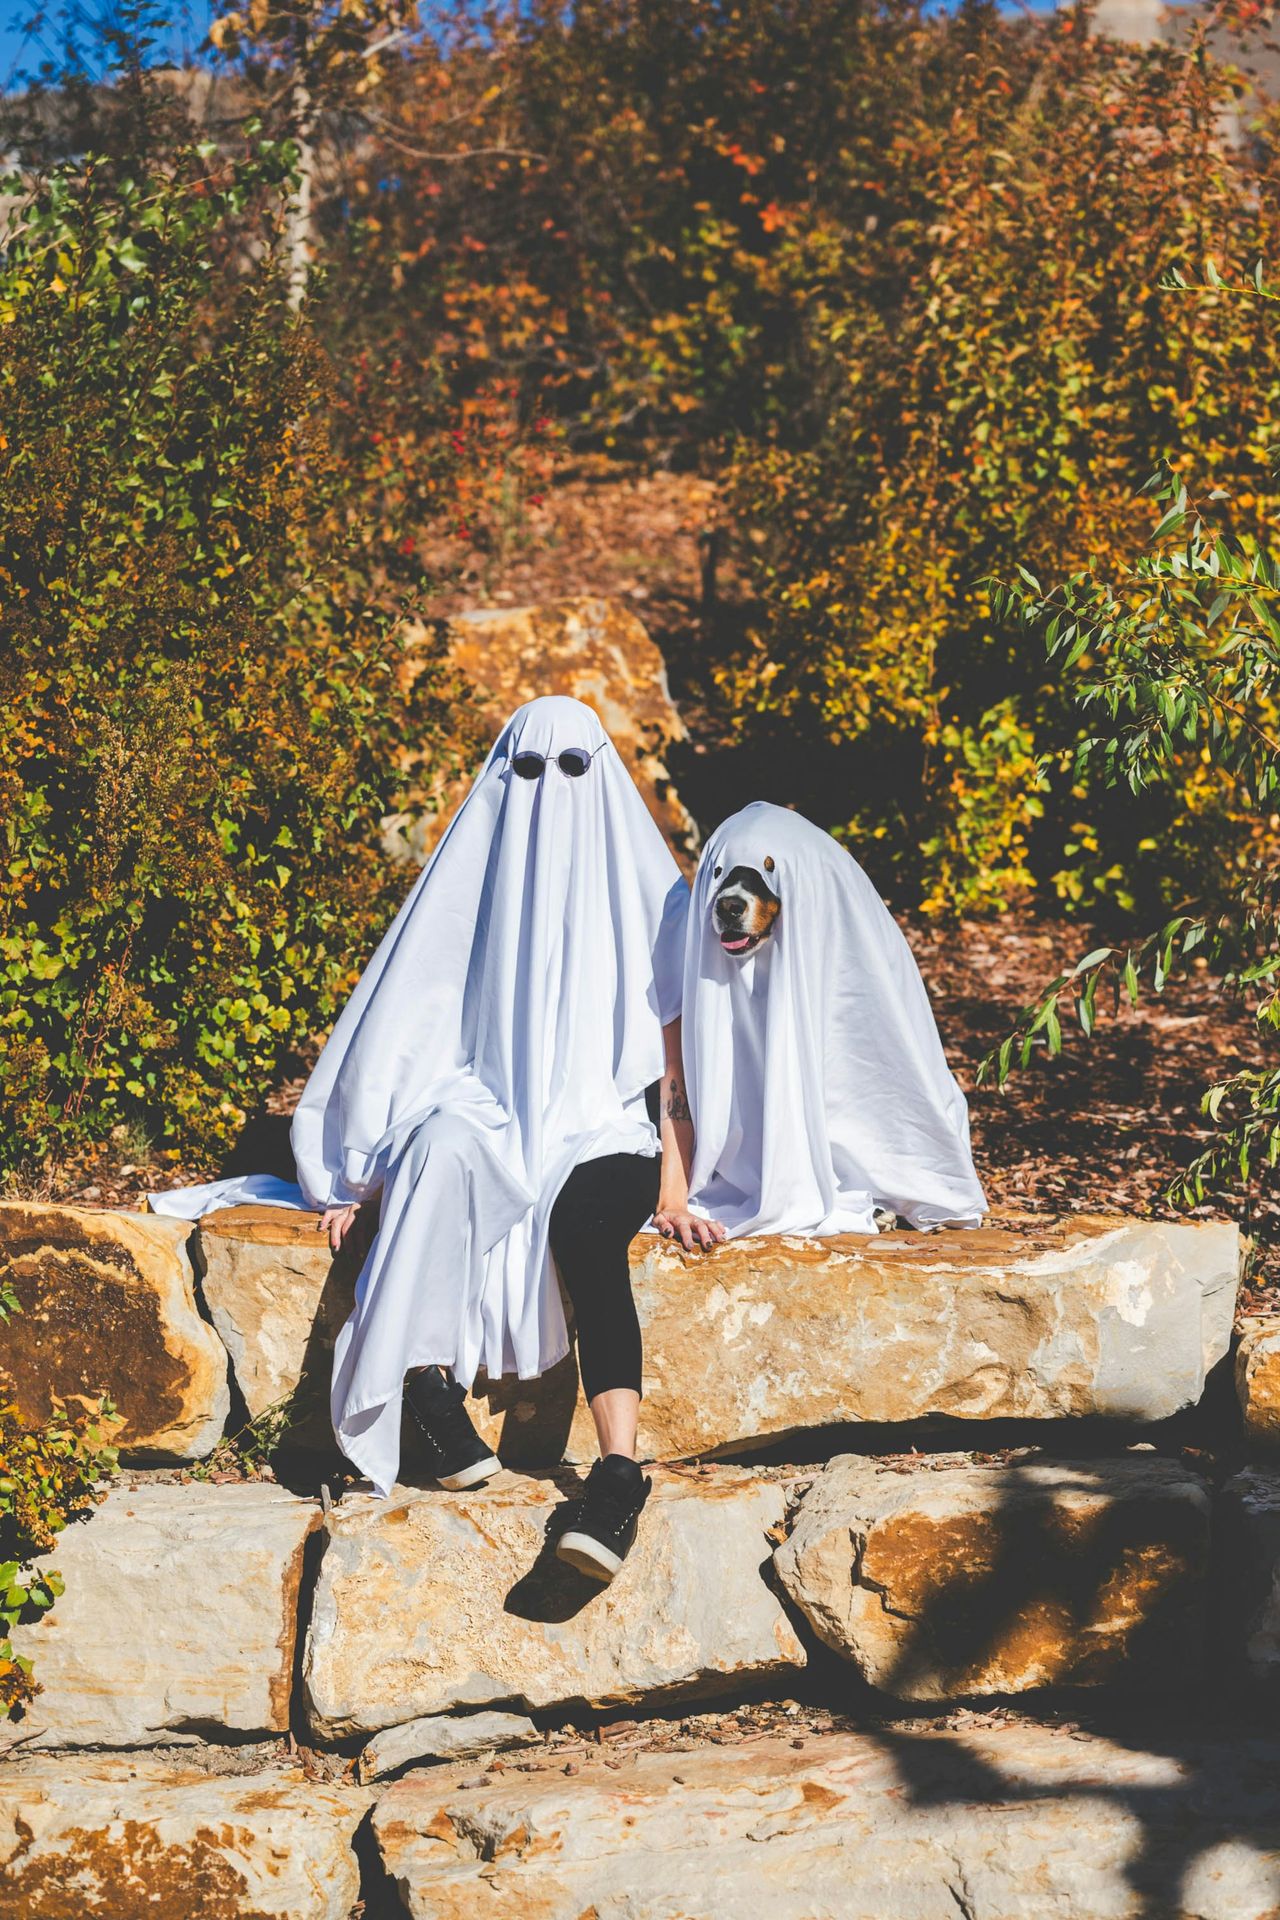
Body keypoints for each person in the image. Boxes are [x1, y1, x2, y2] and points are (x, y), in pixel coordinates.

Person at [159, 696, 718, 1581]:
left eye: (572, 770)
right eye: (527, 772)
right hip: (491, 1106)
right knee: (434, 1150)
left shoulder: (656, 896)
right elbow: (402, 1025)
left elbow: (675, 1064)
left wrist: (677, 1188)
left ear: (602, 776)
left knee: (581, 1232)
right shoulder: (468, 878)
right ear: (500, 777)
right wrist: (360, 1173)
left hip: (602, 1127)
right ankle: (424, 1387)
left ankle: (617, 1474)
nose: (548, 795)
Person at [682, 802, 987, 1238]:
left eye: (769, 875)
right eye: (725, 877)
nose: (733, 897)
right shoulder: (711, 973)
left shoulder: (861, 969)